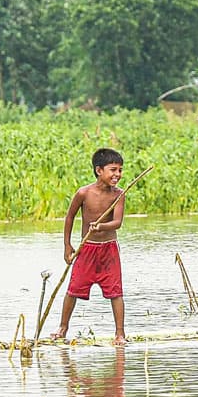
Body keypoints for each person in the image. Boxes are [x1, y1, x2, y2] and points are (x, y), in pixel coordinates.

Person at [50, 148, 127, 345]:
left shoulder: (118, 195)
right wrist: (67, 245)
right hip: (87, 249)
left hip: (108, 249)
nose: (117, 175)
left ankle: (120, 333)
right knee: (73, 288)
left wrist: (101, 226)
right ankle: (63, 327)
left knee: (115, 292)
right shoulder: (84, 193)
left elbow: (117, 222)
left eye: (120, 170)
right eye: (113, 170)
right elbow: (70, 217)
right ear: (99, 170)